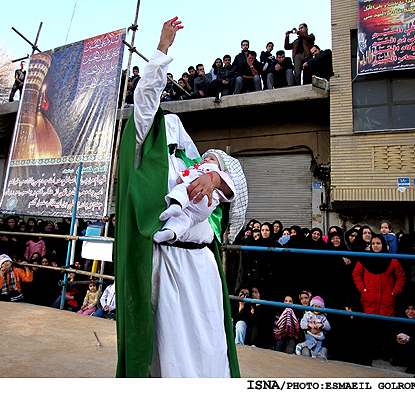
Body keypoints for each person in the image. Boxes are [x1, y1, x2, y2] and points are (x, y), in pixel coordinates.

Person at [115, 17, 248, 378]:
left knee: (211, 344)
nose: (173, 132)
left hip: (203, 266)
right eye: (166, 129)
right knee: (171, 350)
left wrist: (214, 175)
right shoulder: (148, 155)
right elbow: (144, 102)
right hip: (168, 263)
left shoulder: (199, 164)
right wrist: (162, 50)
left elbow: (235, 182)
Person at [153, 149, 236, 244]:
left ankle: (176, 205)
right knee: (186, 218)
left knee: (181, 188)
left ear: (220, 166)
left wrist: (182, 177)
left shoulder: (209, 169)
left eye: (212, 159)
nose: (206, 160)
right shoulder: (222, 177)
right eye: (205, 158)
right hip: (205, 209)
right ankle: (171, 232)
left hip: (198, 195)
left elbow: (191, 174)